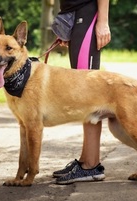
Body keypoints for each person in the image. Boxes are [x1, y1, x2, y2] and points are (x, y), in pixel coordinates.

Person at [52, 0, 111, 184]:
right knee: (82, 92)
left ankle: (91, 166)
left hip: (87, 16)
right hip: (78, 17)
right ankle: (86, 160)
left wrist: (103, 21)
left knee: (88, 94)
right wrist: (67, 25)